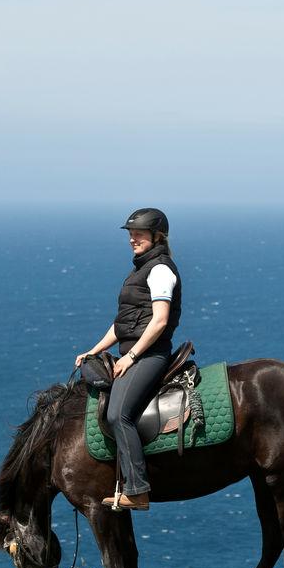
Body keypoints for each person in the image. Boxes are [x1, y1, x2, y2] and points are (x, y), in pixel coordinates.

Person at [73, 208, 182, 511]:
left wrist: (132, 356)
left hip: (150, 355)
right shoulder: (140, 270)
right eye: (130, 234)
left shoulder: (160, 270)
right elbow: (123, 324)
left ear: (157, 236)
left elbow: (159, 321)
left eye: (139, 234)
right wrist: (94, 351)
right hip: (135, 351)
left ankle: (137, 490)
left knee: (117, 414)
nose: (132, 239)